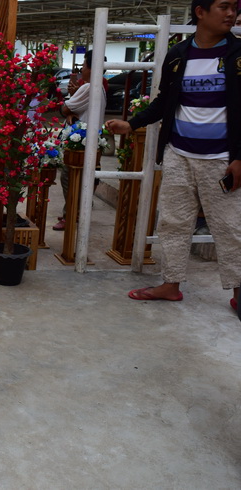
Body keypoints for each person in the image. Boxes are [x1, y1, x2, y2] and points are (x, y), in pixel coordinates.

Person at [106, 0, 241, 312]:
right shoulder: (179, 54)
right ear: (200, 12)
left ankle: (239, 292)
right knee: (173, 223)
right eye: (223, 6)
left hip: (222, 159)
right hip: (179, 155)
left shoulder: (237, 55)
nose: (231, 14)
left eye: (234, 7)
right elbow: (164, 100)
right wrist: (132, 123)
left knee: (231, 228)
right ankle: (170, 284)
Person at [53, 49, 107, 231]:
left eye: (84, 65)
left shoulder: (89, 87)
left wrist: (69, 107)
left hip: (81, 143)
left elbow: (65, 109)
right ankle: (72, 211)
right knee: (79, 180)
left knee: (70, 179)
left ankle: (70, 215)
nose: (81, 69)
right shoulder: (99, 87)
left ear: (92, 68)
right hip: (91, 141)